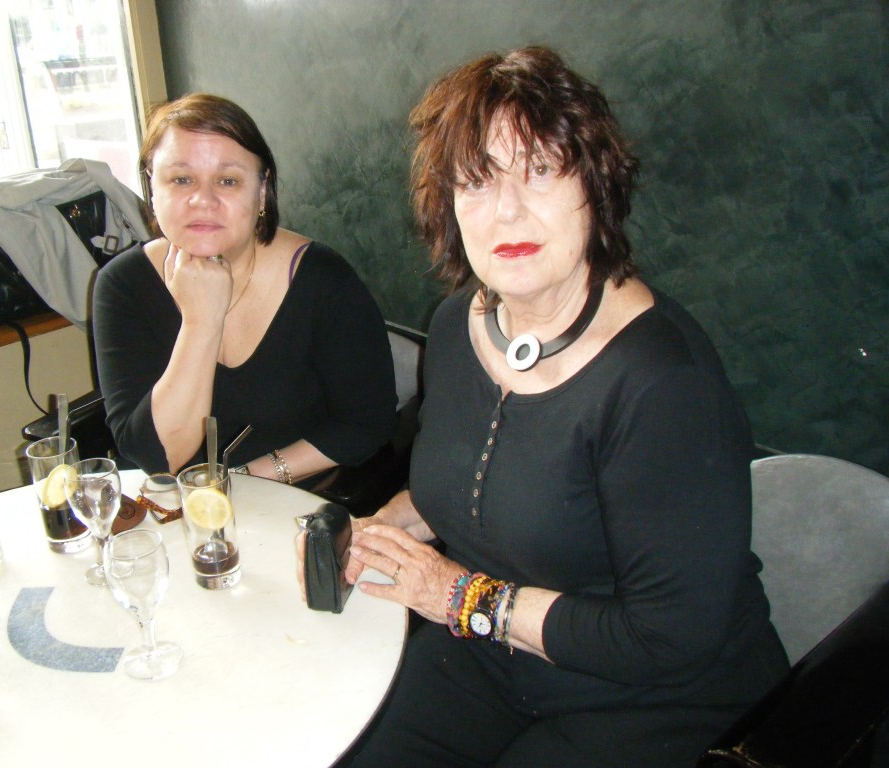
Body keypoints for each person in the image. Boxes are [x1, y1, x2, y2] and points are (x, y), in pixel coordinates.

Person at [334, 47, 789, 767]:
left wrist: (457, 596)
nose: (507, 209)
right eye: (476, 180)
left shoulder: (662, 385)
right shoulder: (456, 325)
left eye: (541, 170)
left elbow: (667, 638)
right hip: (492, 654)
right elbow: (470, 484)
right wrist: (380, 532)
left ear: (597, 185)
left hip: (654, 695)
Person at [93, 93, 397, 483]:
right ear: (153, 187)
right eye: (181, 179)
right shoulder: (122, 286)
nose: (203, 200)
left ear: (262, 190)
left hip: (297, 497)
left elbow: (366, 423)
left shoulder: (324, 281)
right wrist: (201, 322)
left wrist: (246, 478)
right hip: (181, 504)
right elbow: (157, 458)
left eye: (228, 180)